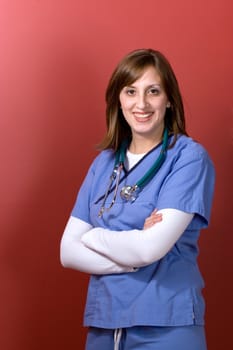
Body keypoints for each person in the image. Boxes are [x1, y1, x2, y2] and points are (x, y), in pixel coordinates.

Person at [60, 48, 215, 350]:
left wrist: (92, 236)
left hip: (166, 325)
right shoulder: (103, 164)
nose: (141, 103)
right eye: (131, 91)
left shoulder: (188, 158)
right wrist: (130, 253)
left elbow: (148, 249)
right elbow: (68, 252)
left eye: (153, 91)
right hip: (105, 326)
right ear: (119, 99)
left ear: (169, 99)